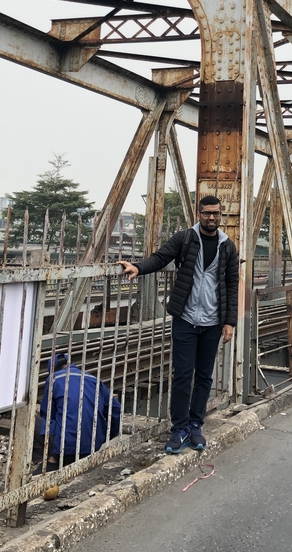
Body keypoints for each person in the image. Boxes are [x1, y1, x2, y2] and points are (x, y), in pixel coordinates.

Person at [118, 195, 238, 455]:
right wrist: (138, 267)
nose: (211, 217)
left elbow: (232, 283)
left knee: (204, 376)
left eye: (216, 213)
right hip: (185, 318)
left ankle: (196, 425)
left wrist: (229, 322)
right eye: (207, 213)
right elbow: (161, 257)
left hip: (212, 321)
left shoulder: (227, 246)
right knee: (183, 375)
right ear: (199, 213)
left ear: (221, 214)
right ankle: (179, 428)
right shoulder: (185, 239)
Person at [36, 353, 121, 468]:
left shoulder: (53, 379)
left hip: (67, 447)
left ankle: (51, 460)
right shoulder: (94, 380)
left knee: (38, 422)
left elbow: (47, 413)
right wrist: (108, 435)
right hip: (93, 443)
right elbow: (116, 409)